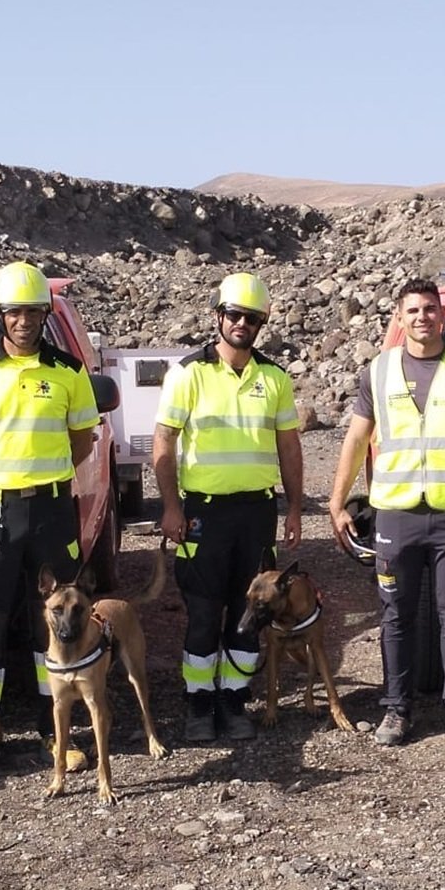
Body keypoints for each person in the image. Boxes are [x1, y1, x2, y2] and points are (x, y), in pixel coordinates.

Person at [0, 261, 99, 789]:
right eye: (14, 312)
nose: (24, 321)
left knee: (49, 620)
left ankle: (57, 730)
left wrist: (41, 476)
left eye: (33, 312)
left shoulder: (68, 371)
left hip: (51, 509)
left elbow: (82, 441)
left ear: (46, 314)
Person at [328, 278, 445, 749]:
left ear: (441, 315)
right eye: (413, 311)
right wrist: (336, 500)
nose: (423, 317)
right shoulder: (379, 370)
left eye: (430, 309)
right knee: (396, 616)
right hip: (397, 515)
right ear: (400, 318)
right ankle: (396, 710)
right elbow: (356, 438)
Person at [153, 271, 305, 743]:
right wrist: (171, 508)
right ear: (218, 315)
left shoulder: (274, 377)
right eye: (235, 314)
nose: (243, 323)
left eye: (253, 318)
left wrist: (296, 508)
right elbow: (164, 439)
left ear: (263, 323)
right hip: (202, 514)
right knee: (202, 615)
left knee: (251, 614)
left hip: (255, 515)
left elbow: (290, 447)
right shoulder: (187, 372)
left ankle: (235, 701)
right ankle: (199, 705)